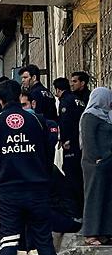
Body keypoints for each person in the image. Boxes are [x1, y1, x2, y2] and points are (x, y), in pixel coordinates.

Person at [0, 80, 70, 255]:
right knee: (43, 241)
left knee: (8, 242)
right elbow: (48, 153)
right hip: (37, 190)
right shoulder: (37, 121)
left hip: (9, 191)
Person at [79, 87, 112, 246]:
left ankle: (104, 232)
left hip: (106, 163)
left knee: (106, 198)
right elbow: (88, 140)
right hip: (94, 165)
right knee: (94, 197)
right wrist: (97, 158)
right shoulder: (90, 116)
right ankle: (91, 233)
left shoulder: (107, 116)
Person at [53, 77, 85, 216]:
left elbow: (65, 122)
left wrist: (64, 139)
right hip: (81, 143)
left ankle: (76, 210)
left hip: (71, 144)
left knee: (71, 175)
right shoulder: (78, 99)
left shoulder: (65, 101)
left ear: (58, 89)